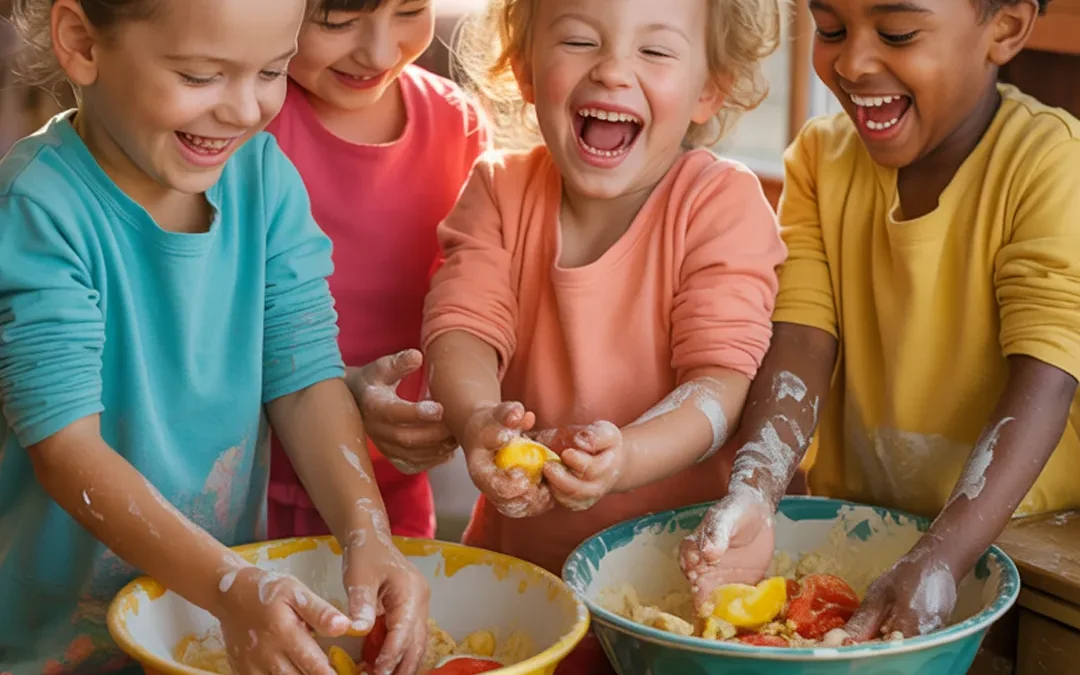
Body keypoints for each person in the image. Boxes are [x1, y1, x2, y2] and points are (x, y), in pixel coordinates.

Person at [0, 1, 428, 673]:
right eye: (202, 75)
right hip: (56, 643)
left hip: (211, 630)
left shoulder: (264, 179)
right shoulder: (38, 209)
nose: (244, 109)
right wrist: (228, 586)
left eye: (271, 71)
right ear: (82, 42)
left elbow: (305, 378)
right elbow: (65, 448)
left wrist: (365, 532)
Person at [681, 0, 1080, 642]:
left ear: (1004, 28)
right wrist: (756, 488)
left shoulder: (1050, 164)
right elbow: (801, 343)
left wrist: (942, 559)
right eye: (831, 28)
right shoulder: (819, 158)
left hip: (1016, 556)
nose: (852, 61)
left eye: (897, 33)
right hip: (857, 538)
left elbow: (1048, 378)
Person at [421, 0, 785, 670]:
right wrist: (478, 423)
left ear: (711, 87)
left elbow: (718, 388)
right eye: (582, 40)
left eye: (655, 51)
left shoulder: (720, 204)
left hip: (676, 600)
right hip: (522, 586)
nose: (613, 70)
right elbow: (461, 331)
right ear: (524, 67)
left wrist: (626, 458)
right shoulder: (499, 191)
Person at [264, 0, 489, 543]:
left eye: (411, 9)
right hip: (241, 479)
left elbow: (471, 302)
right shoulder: (243, 120)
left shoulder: (455, 125)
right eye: (337, 21)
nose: (380, 51)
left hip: (390, 479)